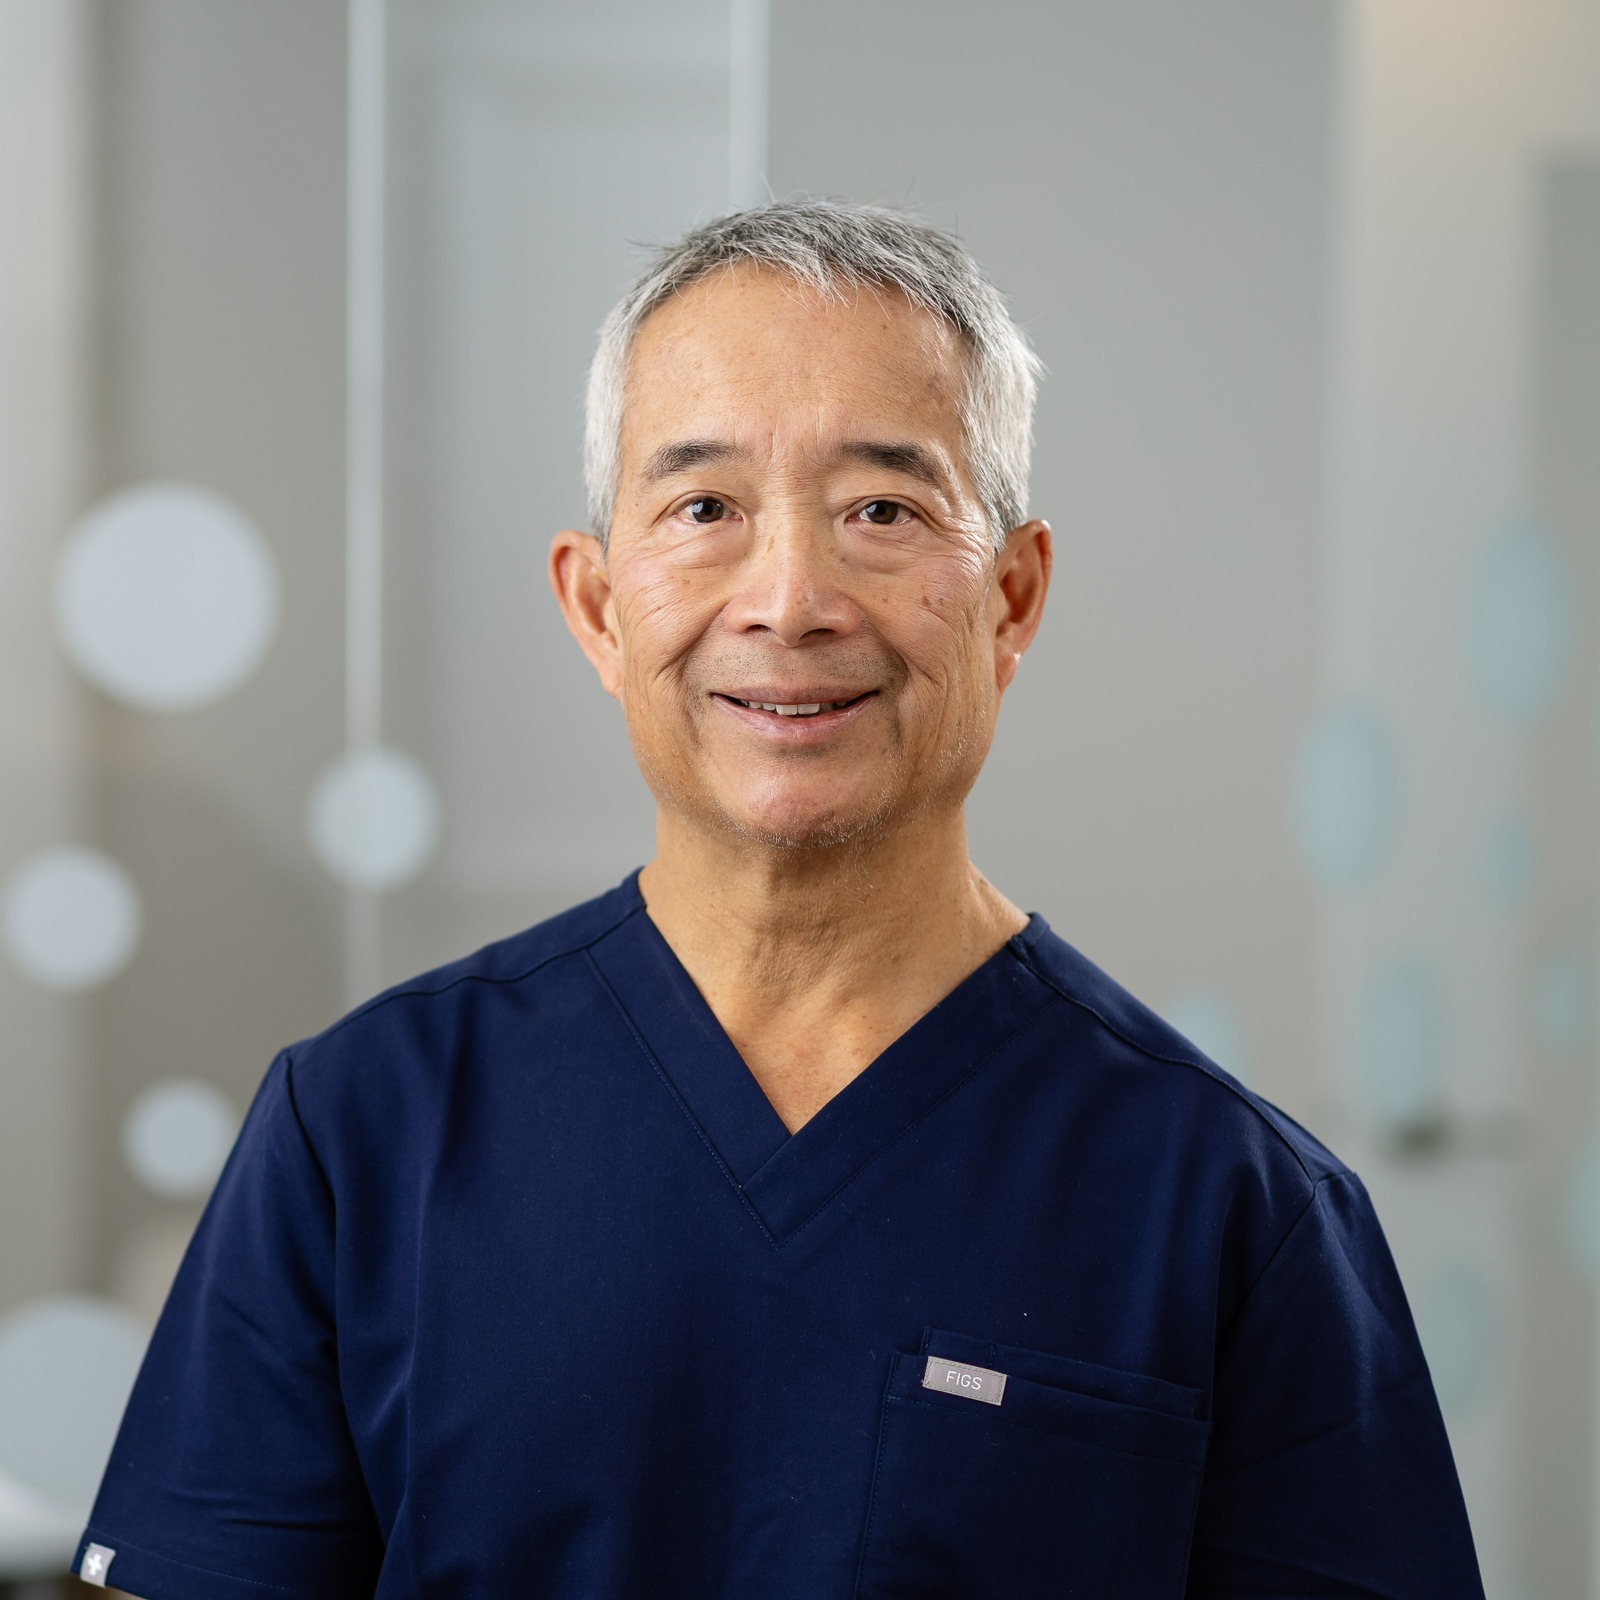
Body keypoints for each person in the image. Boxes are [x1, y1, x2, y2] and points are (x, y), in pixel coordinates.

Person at [77, 200, 1482, 1599]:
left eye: (882, 508)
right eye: (704, 509)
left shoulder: (1233, 1207)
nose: (791, 598)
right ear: (596, 606)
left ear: (1012, 597)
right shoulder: (363, 1132)